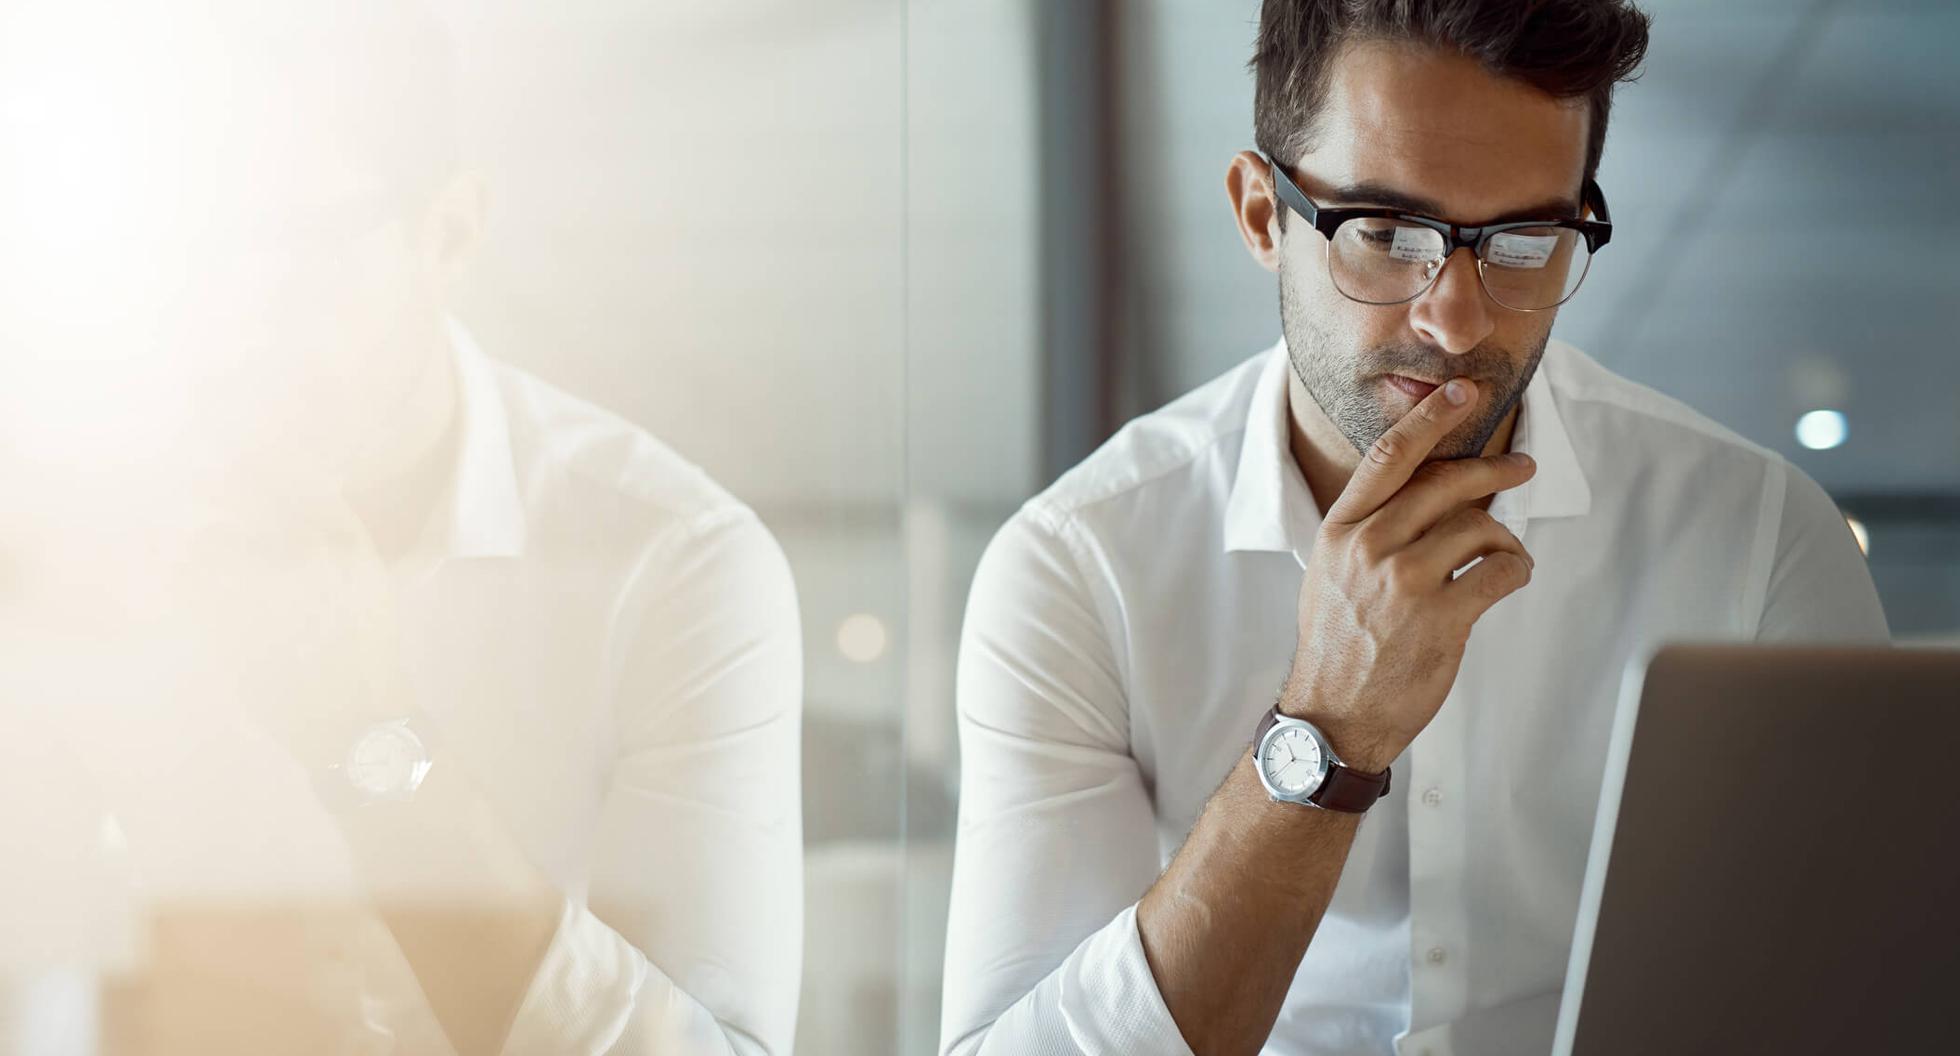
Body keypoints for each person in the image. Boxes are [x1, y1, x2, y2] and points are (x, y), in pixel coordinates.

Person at [939, 2, 1886, 1054]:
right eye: (1387, 236)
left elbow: (1855, 1004)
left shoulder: (1755, 542)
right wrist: (1325, 733)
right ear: (1263, 216)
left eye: (1526, 241)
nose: (1456, 320)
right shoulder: (1082, 566)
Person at [0, 3, 801, 1054]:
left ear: (450, 232)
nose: (222, 316)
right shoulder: (64, 542)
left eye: (285, 245)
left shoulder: (673, 568)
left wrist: (367, 736)